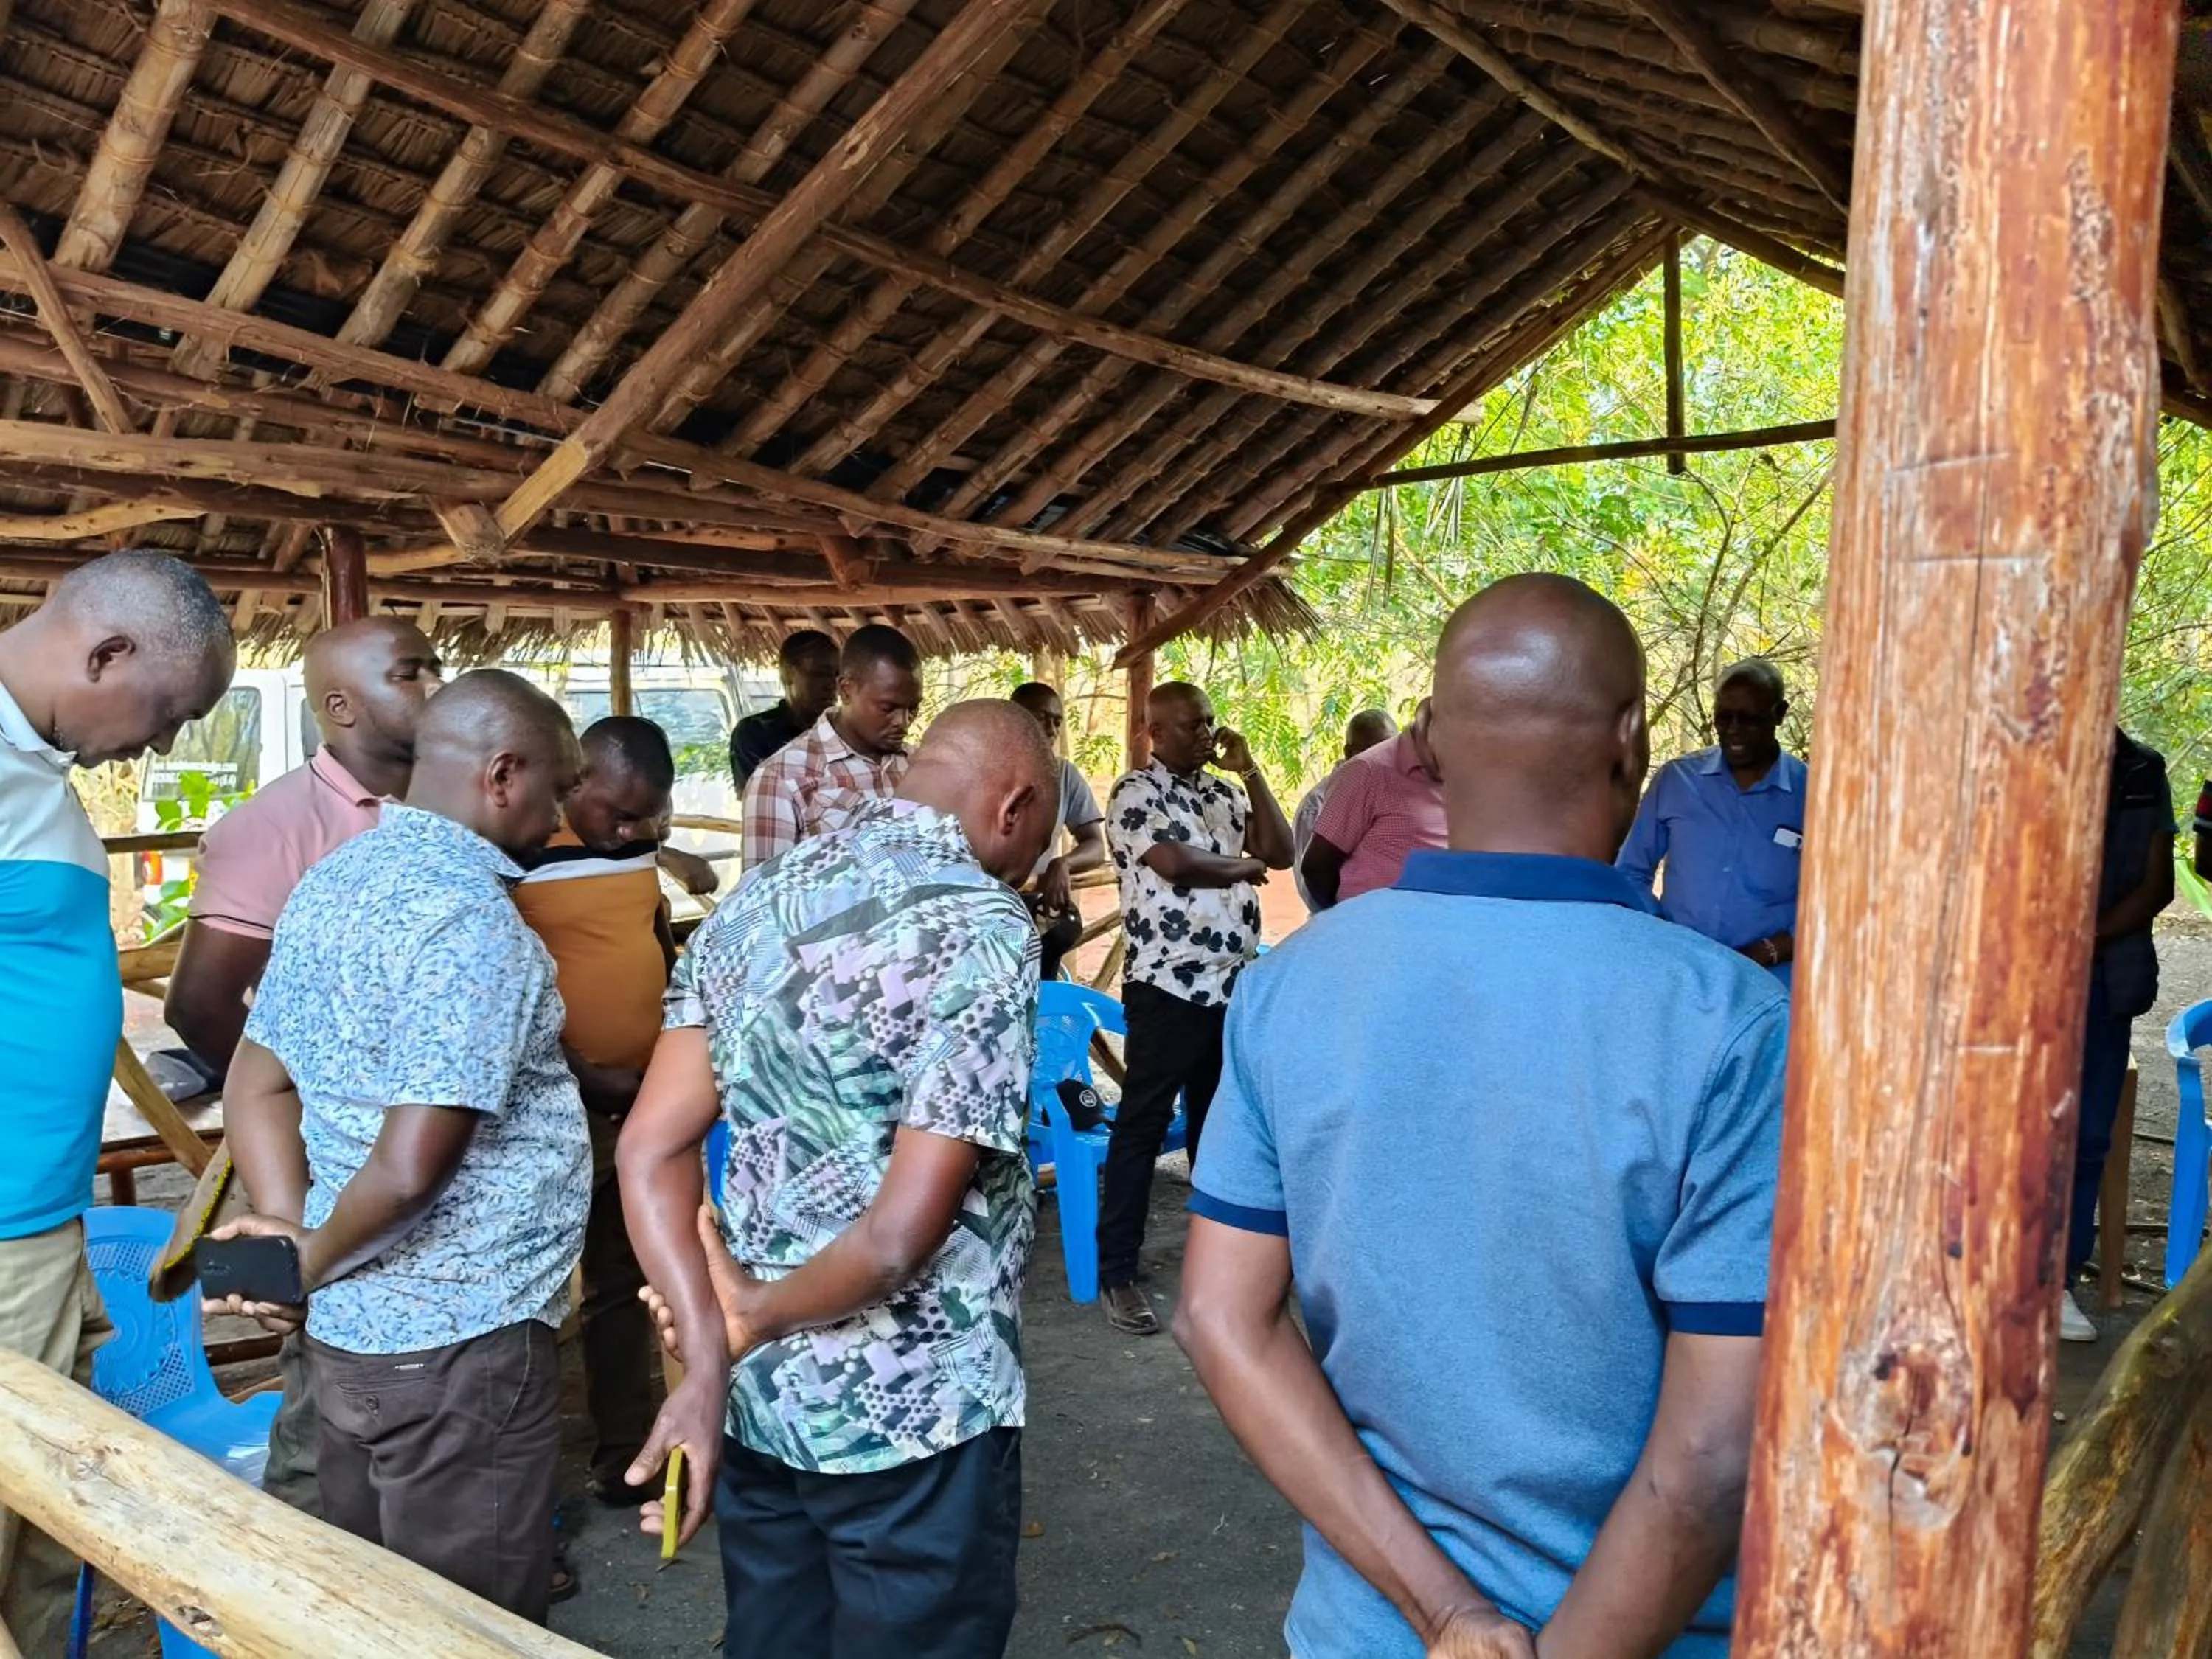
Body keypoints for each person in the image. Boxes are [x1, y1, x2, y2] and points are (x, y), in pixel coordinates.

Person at [1175, 574, 1787, 1659]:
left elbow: (1222, 1319)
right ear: (1635, 738)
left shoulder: (1292, 985)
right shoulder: (1728, 1020)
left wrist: (1445, 1613)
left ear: (1427, 743)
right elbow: (1708, 1460)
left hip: (1370, 1627)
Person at [617, 700, 1058, 1659]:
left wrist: (711, 1343)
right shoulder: (981, 925)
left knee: (775, 1638)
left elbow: (649, 1147)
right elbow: (902, 1236)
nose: (1029, 867)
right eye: (1036, 840)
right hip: (916, 1410)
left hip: (765, 1401)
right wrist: (753, 1315)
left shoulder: (756, 901)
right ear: (1015, 802)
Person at [208, 670, 589, 1624]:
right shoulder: (471, 923)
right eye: (559, 786)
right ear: (504, 774)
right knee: (463, 1624)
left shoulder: (338, 879)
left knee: (371, 1609)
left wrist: (301, 1241)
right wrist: (307, 1260)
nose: (566, 814)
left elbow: (255, 1080)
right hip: (459, 1342)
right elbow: (415, 1164)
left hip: (353, 1342)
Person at [0, 551, 234, 1652]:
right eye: (170, 711)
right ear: (107, 653)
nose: (165, 744)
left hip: (37, 1214)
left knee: (45, 1515)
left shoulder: (24, 764)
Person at [165, 617, 442, 1520]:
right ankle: (316, 1565)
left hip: (438, 1155)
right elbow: (203, 1005)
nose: (437, 688)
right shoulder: (275, 828)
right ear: (340, 704)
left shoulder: (454, 802)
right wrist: (311, 1119)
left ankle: (450, 1544)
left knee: (436, 1362)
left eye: (438, 668)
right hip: (332, 1162)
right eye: (413, 674)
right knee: (327, 1364)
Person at [513, 717, 678, 1505]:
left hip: (642, 1101)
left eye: (644, 816)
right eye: (616, 812)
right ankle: (522, 1487)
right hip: (557, 1104)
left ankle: (622, 1454)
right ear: (576, 783)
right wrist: (581, 1074)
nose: (629, 829)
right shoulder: (521, 852)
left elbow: (651, 937)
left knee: (623, 1278)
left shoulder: (634, 845)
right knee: (536, 1290)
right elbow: (508, 992)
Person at [1098, 683, 1293, 1335]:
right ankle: (1117, 1273)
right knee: (1142, 1129)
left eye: (1208, 723)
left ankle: (1216, 1269)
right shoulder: (1134, 793)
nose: (1204, 735)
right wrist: (1240, 868)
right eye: (1188, 727)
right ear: (1154, 732)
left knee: (1222, 1129)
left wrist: (1251, 771)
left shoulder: (1225, 793)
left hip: (1232, 986)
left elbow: (1284, 850)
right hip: (1168, 987)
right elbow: (1177, 863)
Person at [2060, 727, 2174, 1343]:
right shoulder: (2020, 748)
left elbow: (2159, 883)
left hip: (2105, 983)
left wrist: (2083, 941)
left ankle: (2058, 1282)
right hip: (2013, 978)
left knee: (2086, 1137)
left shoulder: (2139, 769)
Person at [1617, 658, 1806, 988]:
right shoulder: (1678, 780)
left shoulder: (1813, 795)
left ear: (1779, 714)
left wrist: (1769, 950)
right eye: (1724, 717)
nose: (1732, 729)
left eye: (1748, 719)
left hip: (1770, 982)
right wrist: (1663, 935)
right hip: (1680, 975)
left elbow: (1832, 904)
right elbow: (1631, 871)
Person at [740, 624, 919, 867]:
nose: (904, 722)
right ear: (846, 690)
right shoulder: (781, 779)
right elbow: (763, 897)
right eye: (888, 708)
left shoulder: (920, 765)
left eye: (913, 709)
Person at [1300, 698, 1447, 908]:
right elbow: (1317, 868)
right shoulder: (1366, 771)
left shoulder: (1465, 774)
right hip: (1377, 929)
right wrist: (1347, 917)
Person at [1011, 680, 1106, 978]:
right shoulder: (985, 771)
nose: (1051, 729)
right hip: (988, 900)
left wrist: (1063, 863)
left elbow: (1095, 845)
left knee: (1063, 927)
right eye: (1042, 718)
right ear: (1015, 719)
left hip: (1032, 899)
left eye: (1057, 721)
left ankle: (1044, 1008)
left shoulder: (1064, 775)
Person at [1293, 709, 1397, 910]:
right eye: (1380, 748)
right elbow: (1311, 886)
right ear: (1351, 753)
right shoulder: (1316, 805)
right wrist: (1345, 917)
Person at [728, 629, 838, 792]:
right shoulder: (756, 733)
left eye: (838, 675)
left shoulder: (844, 732)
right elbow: (757, 801)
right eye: (820, 674)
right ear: (788, 674)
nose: (832, 684)